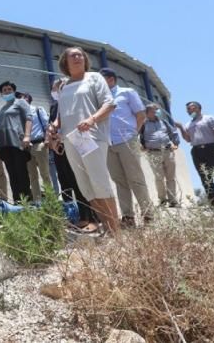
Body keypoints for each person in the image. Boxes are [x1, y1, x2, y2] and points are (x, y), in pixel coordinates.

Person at [47, 48, 119, 234]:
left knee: (99, 182)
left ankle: (116, 232)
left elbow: (109, 104)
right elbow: (62, 114)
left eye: (80, 55)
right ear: (65, 62)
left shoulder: (94, 78)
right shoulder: (63, 86)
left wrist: (92, 119)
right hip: (71, 140)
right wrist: (54, 126)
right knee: (85, 186)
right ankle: (106, 228)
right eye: (73, 55)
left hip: (91, 136)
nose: (78, 57)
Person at [99, 68, 153, 228]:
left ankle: (148, 215)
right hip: (109, 144)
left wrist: (133, 134)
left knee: (136, 179)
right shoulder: (99, 98)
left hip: (126, 141)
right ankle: (128, 217)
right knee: (119, 181)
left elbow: (141, 115)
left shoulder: (127, 92)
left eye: (101, 80)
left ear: (110, 79)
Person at [47, 78, 98, 231]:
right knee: (67, 181)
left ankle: (92, 217)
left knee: (82, 180)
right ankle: (77, 215)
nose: (57, 91)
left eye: (61, 87)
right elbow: (54, 125)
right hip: (60, 147)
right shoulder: (55, 106)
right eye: (55, 88)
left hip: (78, 143)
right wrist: (53, 139)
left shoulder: (77, 100)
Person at [175, 101, 214, 206]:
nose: (190, 111)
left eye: (192, 108)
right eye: (188, 109)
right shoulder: (188, 124)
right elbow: (188, 139)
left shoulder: (209, 118)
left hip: (211, 149)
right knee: (205, 178)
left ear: (199, 108)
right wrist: (181, 127)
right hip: (197, 151)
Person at [0, 82, 33, 202]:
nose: (7, 91)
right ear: (1, 93)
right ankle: (17, 203)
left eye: (9, 89)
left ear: (14, 91)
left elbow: (29, 117)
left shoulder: (20, 102)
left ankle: (27, 204)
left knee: (21, 173)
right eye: (4, 90)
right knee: (12, 174)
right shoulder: (1, 109)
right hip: (5, 145)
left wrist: (27, 136)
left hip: (18, 143)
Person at [140, 104, 180, 207]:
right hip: (153, 153)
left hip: (168, 151)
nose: (157, 112)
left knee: (171, 177)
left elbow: (174, 132)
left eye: (157, 110)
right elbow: (138, 136)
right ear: (147, 113)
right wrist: (142, 146)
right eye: (154, 110)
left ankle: (173, 201)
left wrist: (176, 143)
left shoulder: (164, 122)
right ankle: (162, 200)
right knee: (159, 178)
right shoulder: (143, 124)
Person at [21, 92, 52, 203]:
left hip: (39, 145)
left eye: (22, 97)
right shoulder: (21, 114)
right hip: (27, 148)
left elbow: (47, 126)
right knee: (32, 176)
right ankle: (37, 201)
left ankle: (50, 200)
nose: (20, 100)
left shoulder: (38, 109)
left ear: (28, 99)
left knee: (45, 174)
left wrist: (47, 140)